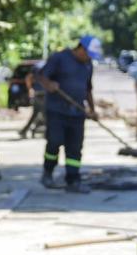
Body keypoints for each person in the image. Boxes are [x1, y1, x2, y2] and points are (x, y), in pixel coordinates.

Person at [35, 35, 103, 194]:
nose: (88, 58)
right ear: (80, 48)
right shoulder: (59, 58)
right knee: (54, 141)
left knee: (75, 148)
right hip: (57, 110)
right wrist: (49, 84)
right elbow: (41, 76)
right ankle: (48, 173)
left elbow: (88, 89)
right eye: (88, 54)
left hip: (77, 112)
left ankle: (73, 180)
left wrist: (92, 110)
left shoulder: (88, 65)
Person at [18, 60, 47, 138]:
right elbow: (29, 77)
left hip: (39, 93)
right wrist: (30, 89)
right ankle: (41, 131)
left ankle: (26, 131)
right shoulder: (45, 66)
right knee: (45, 113)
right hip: (42, 93)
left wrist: (30, 89)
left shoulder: (39, 66)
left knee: (37, 113)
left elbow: (28, 77)